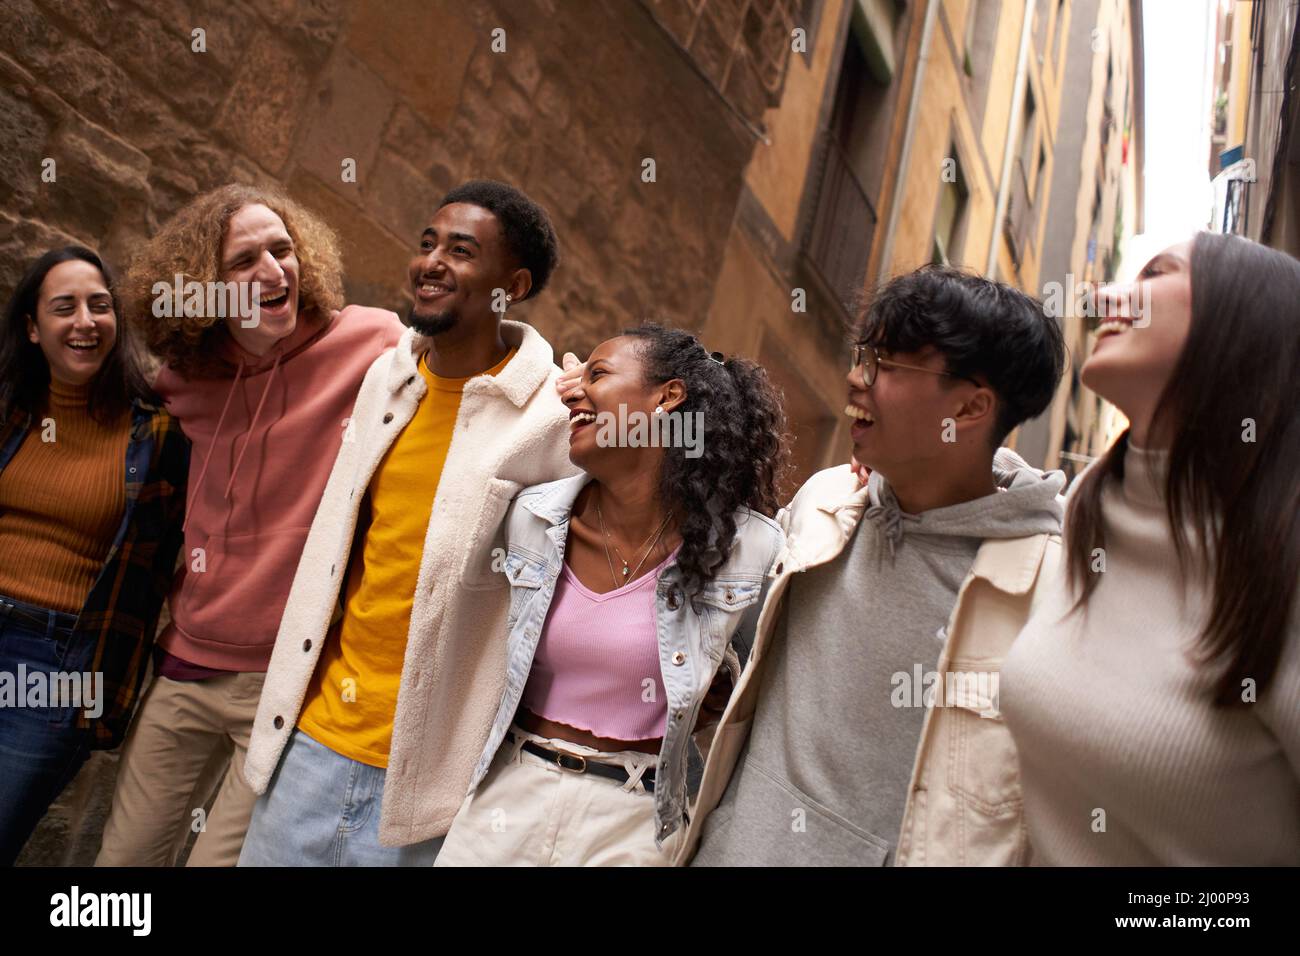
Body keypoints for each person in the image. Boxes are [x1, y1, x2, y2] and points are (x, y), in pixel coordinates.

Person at [680, 265, 1068, 866]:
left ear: (969, 408)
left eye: (887, 364)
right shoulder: (828, 499)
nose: (856, 378)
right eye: (867, 354)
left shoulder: (1048, 591)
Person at [239, 180, 574, 866]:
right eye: (427, 243)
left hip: (431, 782)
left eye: (461, 250)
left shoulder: (553, 419)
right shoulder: (388, 381)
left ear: (511, 284)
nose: (432, 261)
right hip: (315, 738)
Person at [95, 184, 404, 866]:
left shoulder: (375, 345)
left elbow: (461, 389)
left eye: (283, 250)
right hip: (185, 663)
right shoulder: (186, 380)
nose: (273, 270)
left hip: (288, 680)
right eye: (244, 261)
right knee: (123, 863)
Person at [436, 324, 788, 866]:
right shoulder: (532, 518)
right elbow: (467, 465)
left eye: (598, 374)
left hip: (636, 824)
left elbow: (759, 704)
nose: (572, 389)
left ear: (668, 397)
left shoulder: (749, 551)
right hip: (507, 798)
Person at [1000, 232, 1299, 864]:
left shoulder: (1284, 556)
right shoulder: (1089, 506)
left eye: (1156, 275)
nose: (1107, 297)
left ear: (1246, 322)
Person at [0, 246, 188, 865]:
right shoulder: (9, 412)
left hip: (57, 666)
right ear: (33, 328)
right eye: (64, 307)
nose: (85, 320)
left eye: (99, 305)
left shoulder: (156, 434)